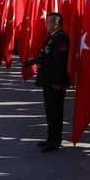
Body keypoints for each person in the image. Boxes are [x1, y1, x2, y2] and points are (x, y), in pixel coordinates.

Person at [22, 12, 69, 153]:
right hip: (48, 80)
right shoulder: (52, 37)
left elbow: (59, 63)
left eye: (49, 22)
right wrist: (29, 62)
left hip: (55, 82)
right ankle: (50, 138)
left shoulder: (61, 38)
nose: (46, 24)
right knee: (49, 111)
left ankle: (56, 141)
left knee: (55, 112)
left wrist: (56, 81)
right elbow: (43, 55)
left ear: (56, 24)